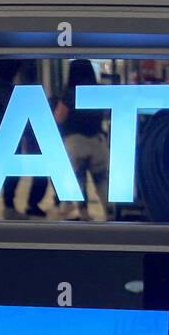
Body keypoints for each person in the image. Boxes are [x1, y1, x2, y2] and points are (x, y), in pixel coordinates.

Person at [52, 59, 109, 220]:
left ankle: (84, 215)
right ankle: (110, 213)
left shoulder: (70, 93)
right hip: (97, 142)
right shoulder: (99, 92)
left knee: (79, 181)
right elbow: (106, 113)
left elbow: (59, 118)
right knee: (102, 182)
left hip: (75, 142)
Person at [0, 60, 47, 217]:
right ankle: (10, 206)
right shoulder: (4, 86)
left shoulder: (2, 84)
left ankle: (12, 205)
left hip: (11, 130)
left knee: (15, 168)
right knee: (14, 168)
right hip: (11, 130)